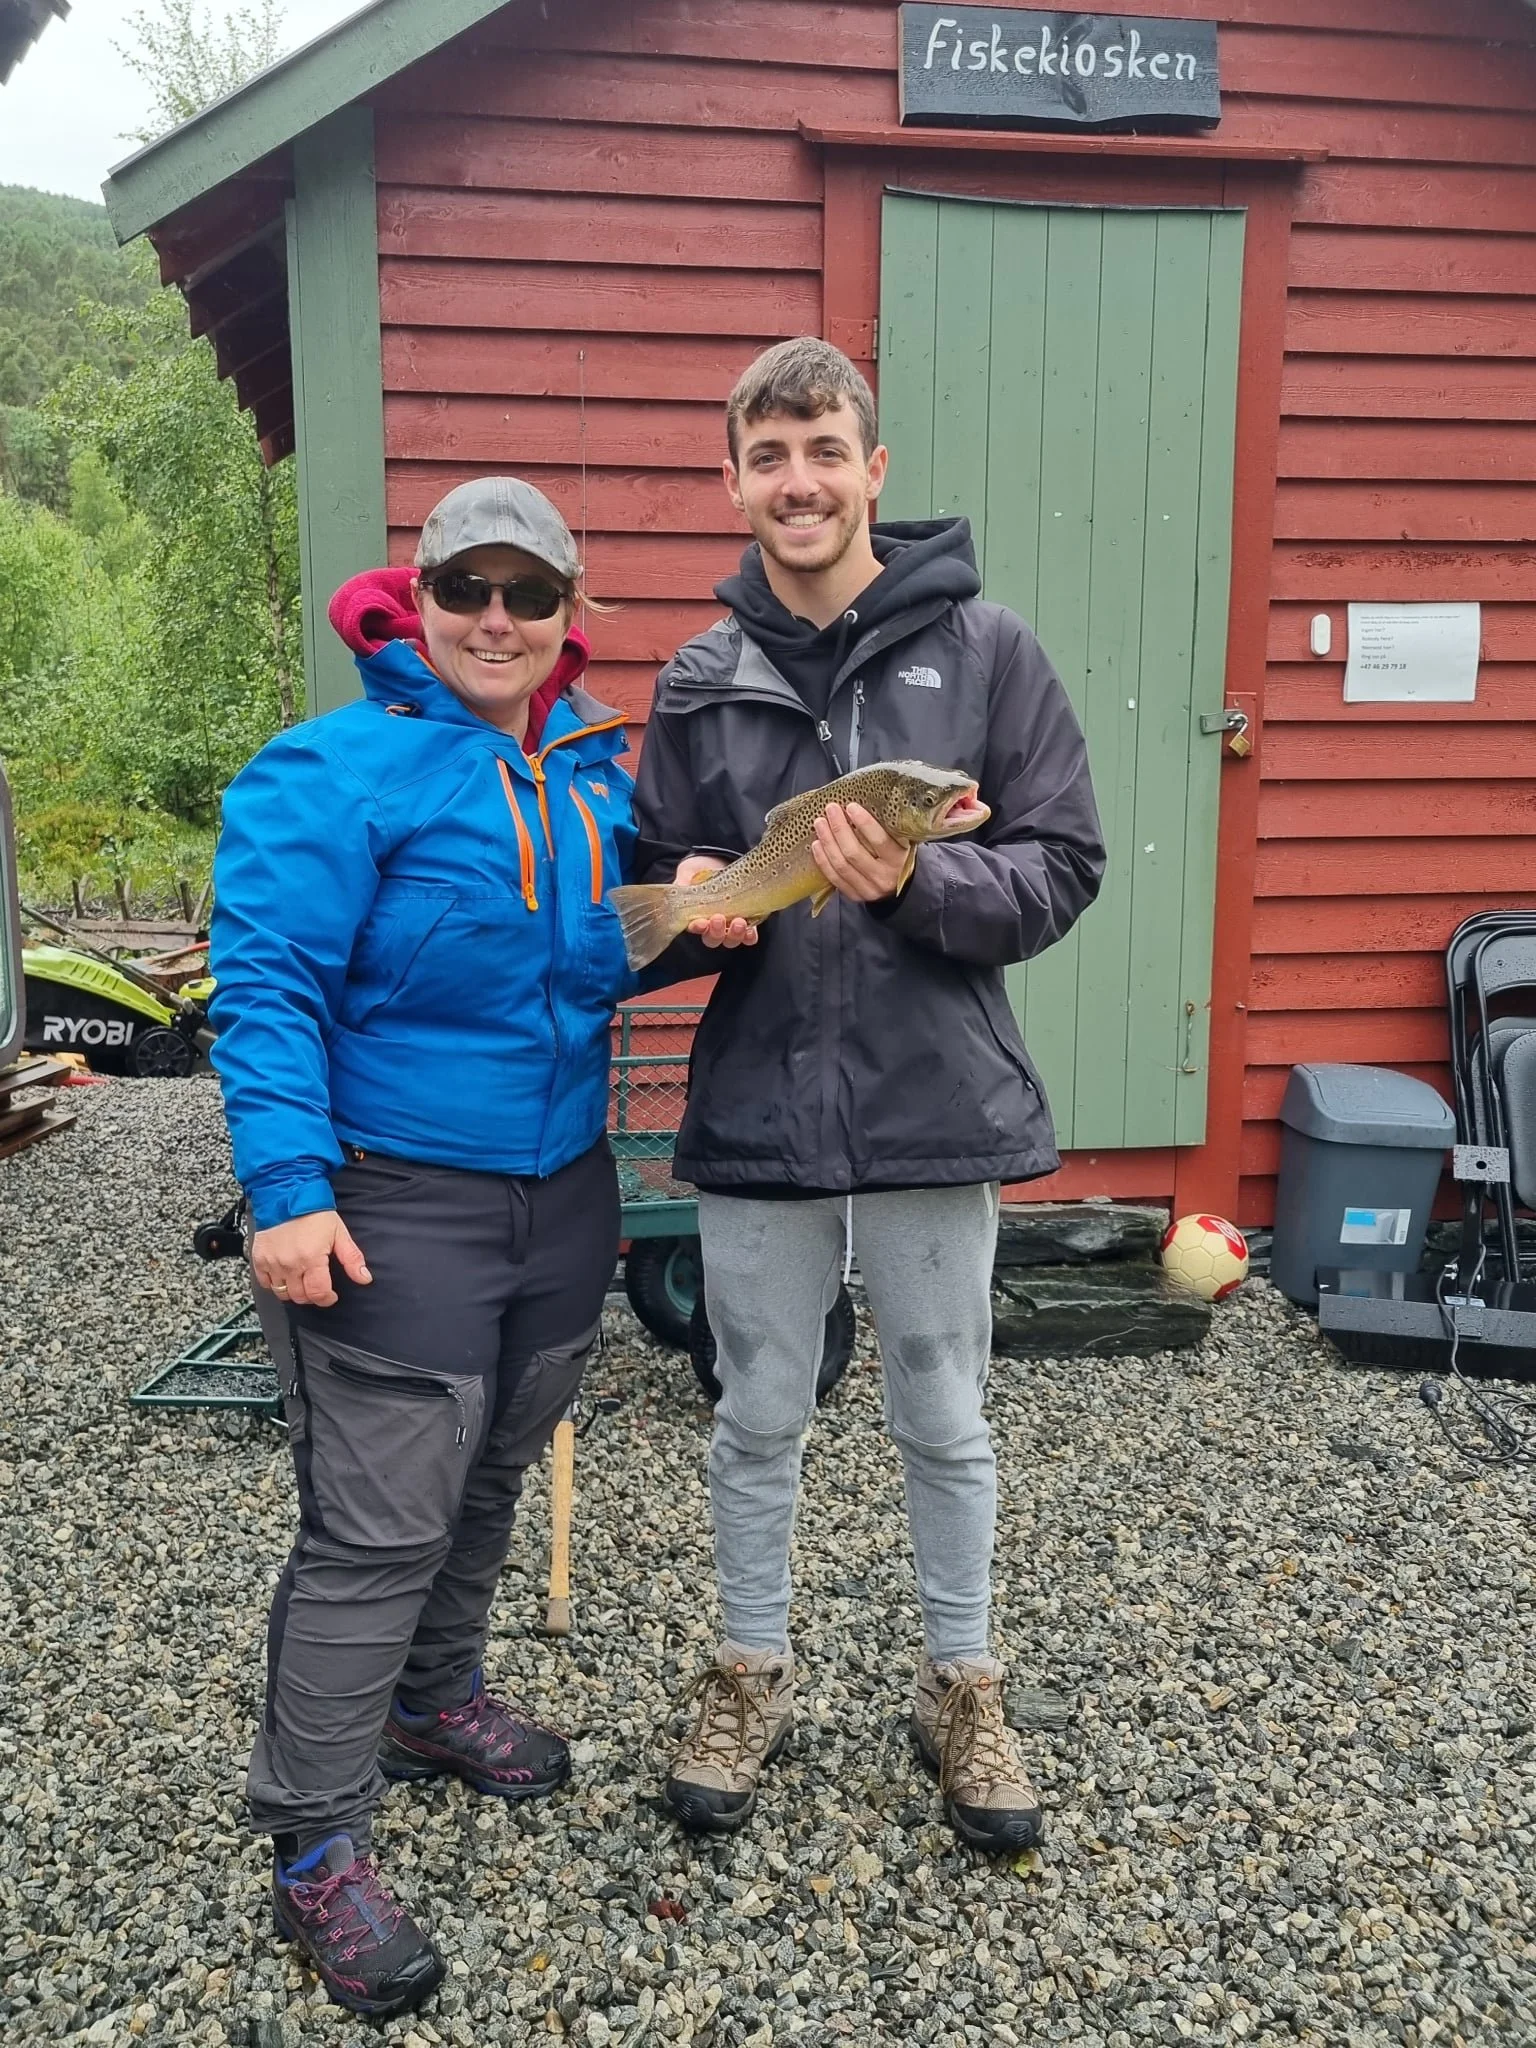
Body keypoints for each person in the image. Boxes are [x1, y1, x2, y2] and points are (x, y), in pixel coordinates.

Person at [632, 337, 1106, 1852]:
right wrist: (687, 908)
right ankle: (747, 1672)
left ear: (874, 469)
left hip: (931, 1103)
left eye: (824, 451)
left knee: (945, 1413)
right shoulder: (698, 678)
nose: (800, 483)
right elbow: (648, 888)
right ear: (734, 482)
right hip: (760, 1104)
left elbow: (1061, 863)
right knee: (756, 1409)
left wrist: (915, 884)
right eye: (769, 457)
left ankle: (963, 1686)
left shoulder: (989, 651)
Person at [208, 478, 637, 2019]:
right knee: (377, 1524)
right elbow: (265, 983)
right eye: (469, 590)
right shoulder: (330, 770)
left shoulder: (590, 777)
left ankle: (432, 1700)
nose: (497, 621)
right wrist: (286, 1190)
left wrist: (712, 918)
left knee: (492, 1472)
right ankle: (315, 1843)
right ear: (420, 601)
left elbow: (590, 961)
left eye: (529, 594)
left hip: (563, 1191)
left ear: (568, 615)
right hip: (395, 1197)